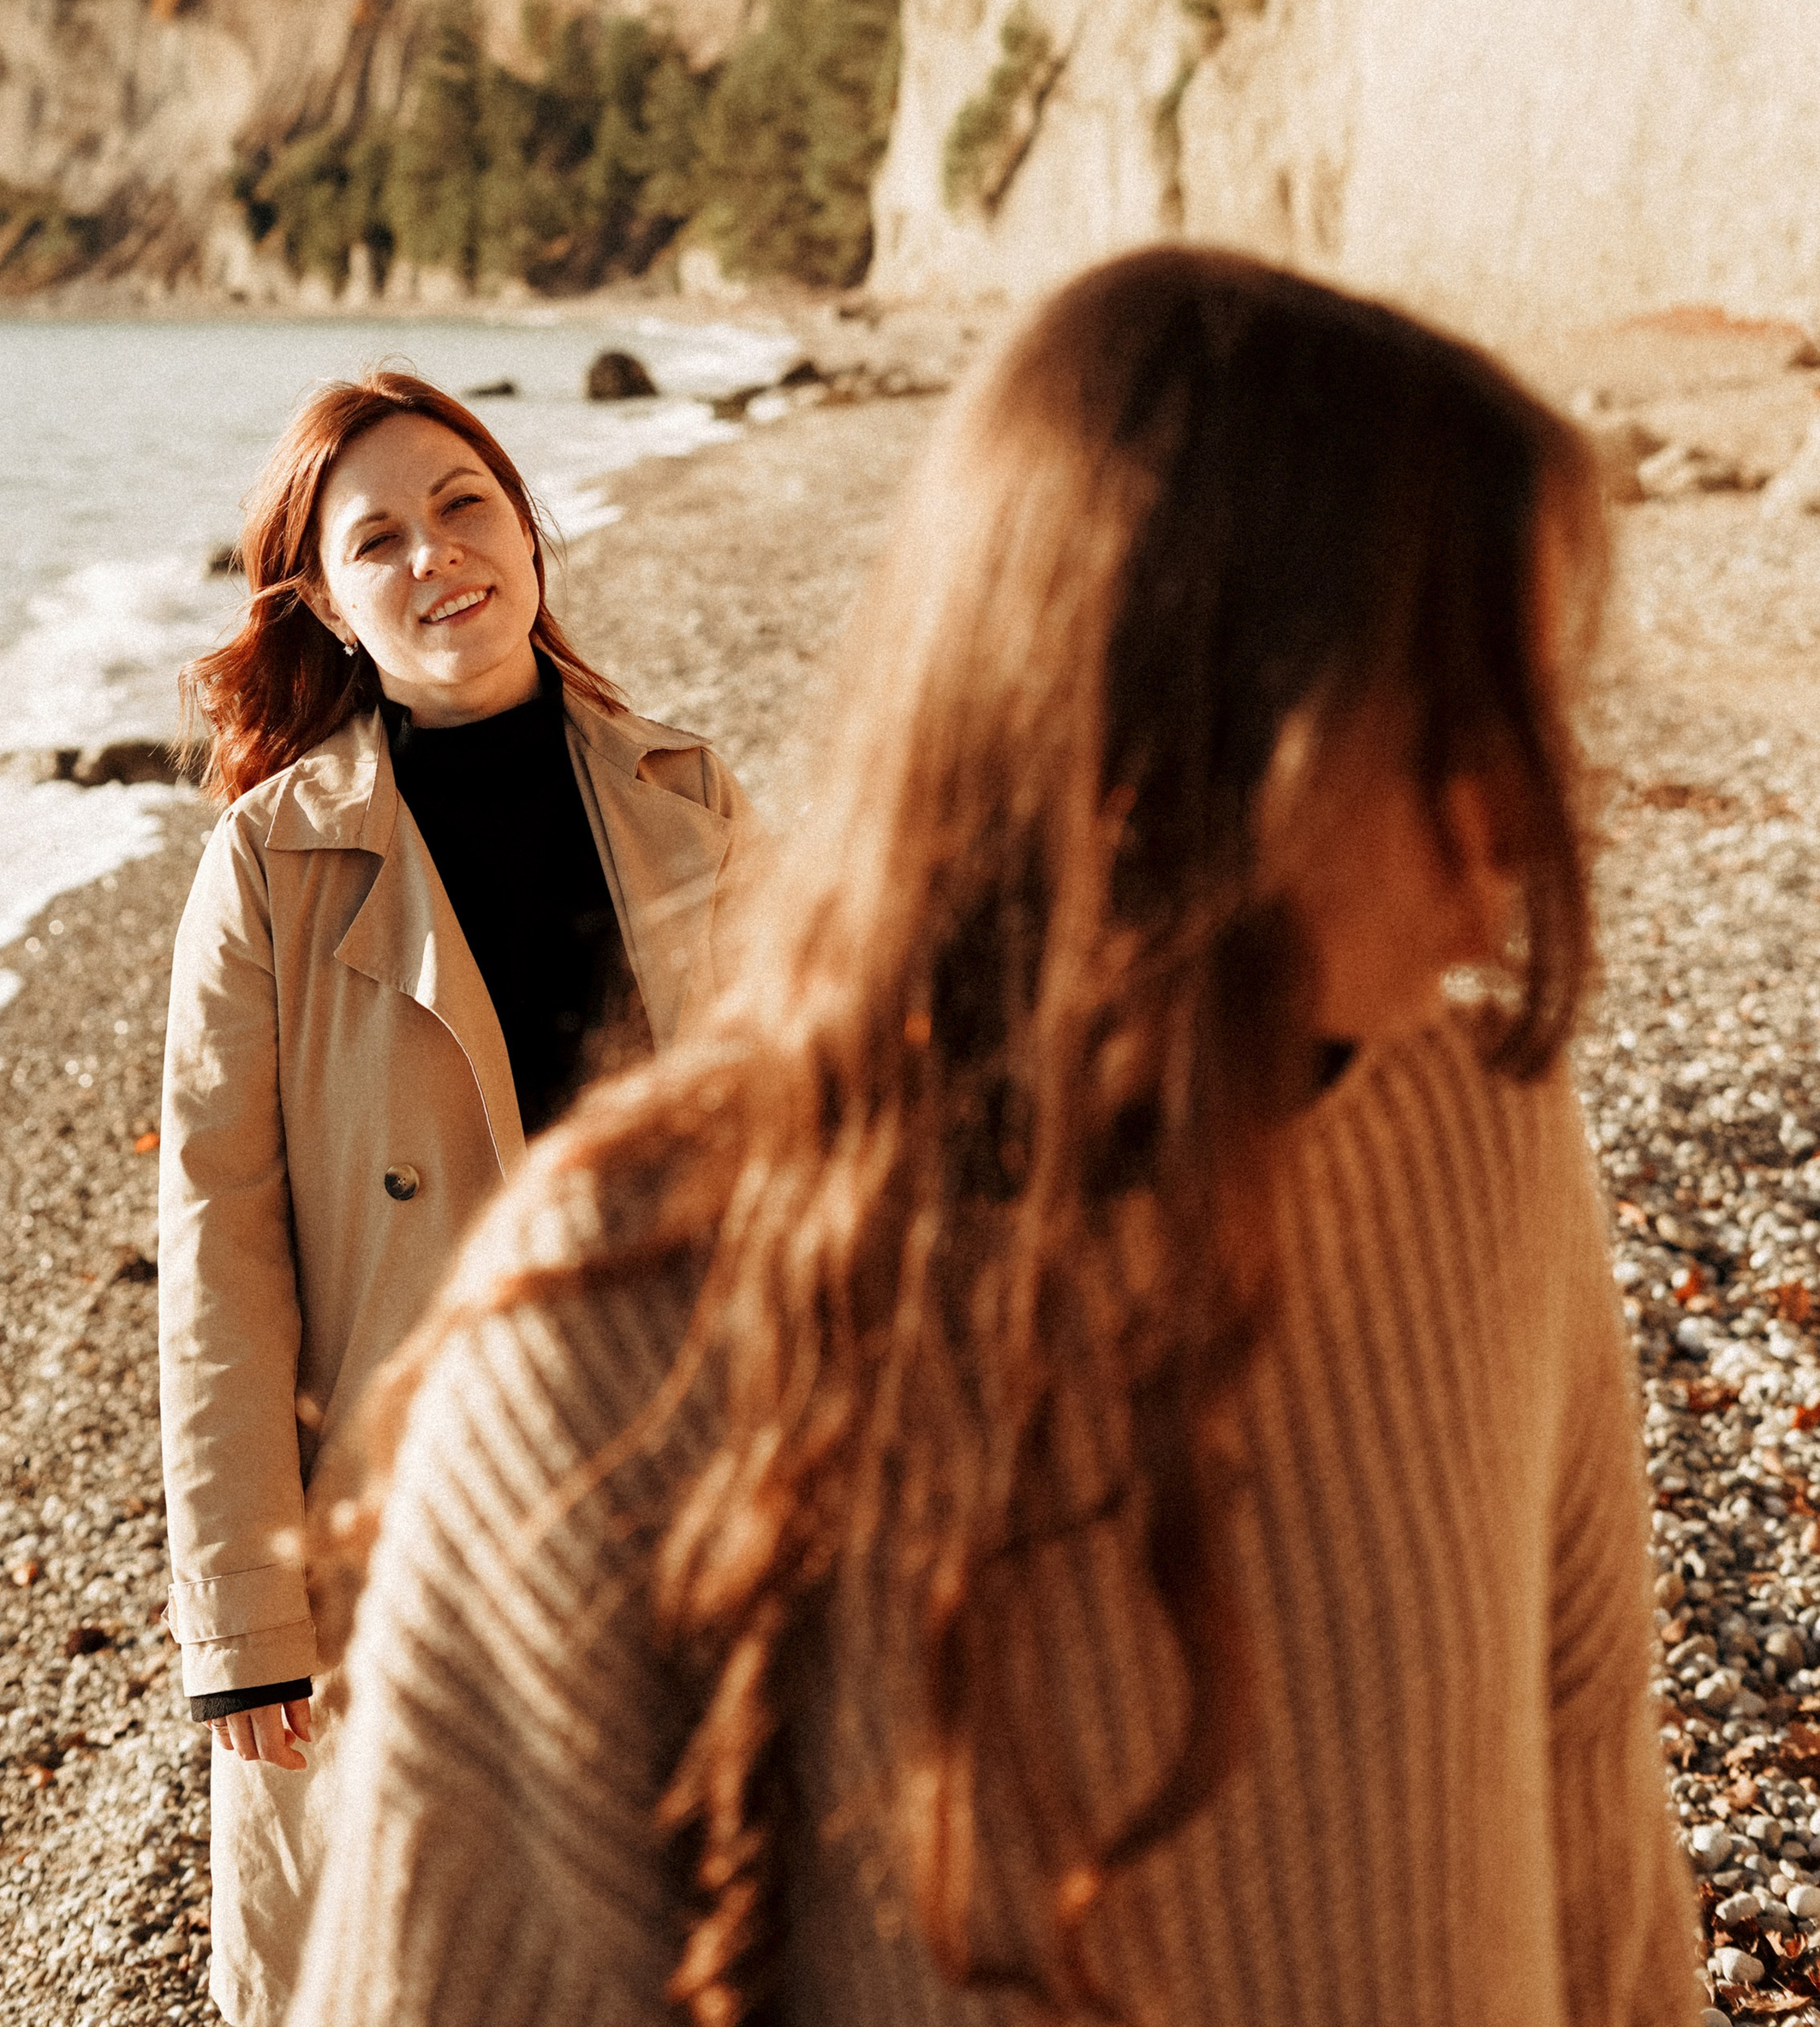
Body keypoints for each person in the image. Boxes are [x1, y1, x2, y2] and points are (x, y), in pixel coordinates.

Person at [293, 247, 1699, 2027]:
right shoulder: (608, 1332)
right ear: (1185, 732)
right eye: (1454, 722)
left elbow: (1589, 1814)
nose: (1529, 821)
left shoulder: (1477, 1131)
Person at [156, 371, 749, 2027]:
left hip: (685, 1458)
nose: (438, 558)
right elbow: (220, 1254)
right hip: (410, 1500)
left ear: (527, 526)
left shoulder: (686, 795)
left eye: (466, 504)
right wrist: (246, 1615)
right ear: (331, 609)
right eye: (380, 541)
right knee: (429, 1960)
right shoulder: (271, 866)